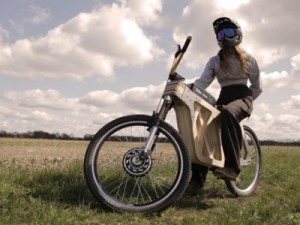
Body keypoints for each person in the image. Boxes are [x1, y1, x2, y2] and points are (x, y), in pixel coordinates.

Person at [191, 17, 262, 187]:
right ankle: (197, 178)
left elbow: (257, 87)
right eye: (220, 34)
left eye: (229, 32)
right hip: (224, 97)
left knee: (229, 112)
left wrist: (246, 102)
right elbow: (203, 82)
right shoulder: (215, 61)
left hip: (243, 97)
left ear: (237, 34)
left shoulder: (248, 59)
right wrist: (190, 88)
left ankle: (232, 168)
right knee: (202, 129)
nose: (224, 37)